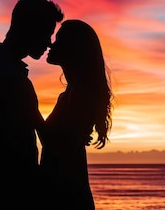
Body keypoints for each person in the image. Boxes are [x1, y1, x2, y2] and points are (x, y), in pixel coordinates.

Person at [0, 0, 64, 209]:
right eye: (47, 33)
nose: (49, 43)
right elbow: (46, 137)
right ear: (29, 27)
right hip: (8, 199)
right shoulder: (10, 77)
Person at [39, 19, 114, 210]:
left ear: (73, 50)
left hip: (69, 199)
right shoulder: (73, 93)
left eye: (58, 40)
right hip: (65, 195)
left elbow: (58, 143)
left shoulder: (81, 94)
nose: (51, 44)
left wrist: (29, 110)